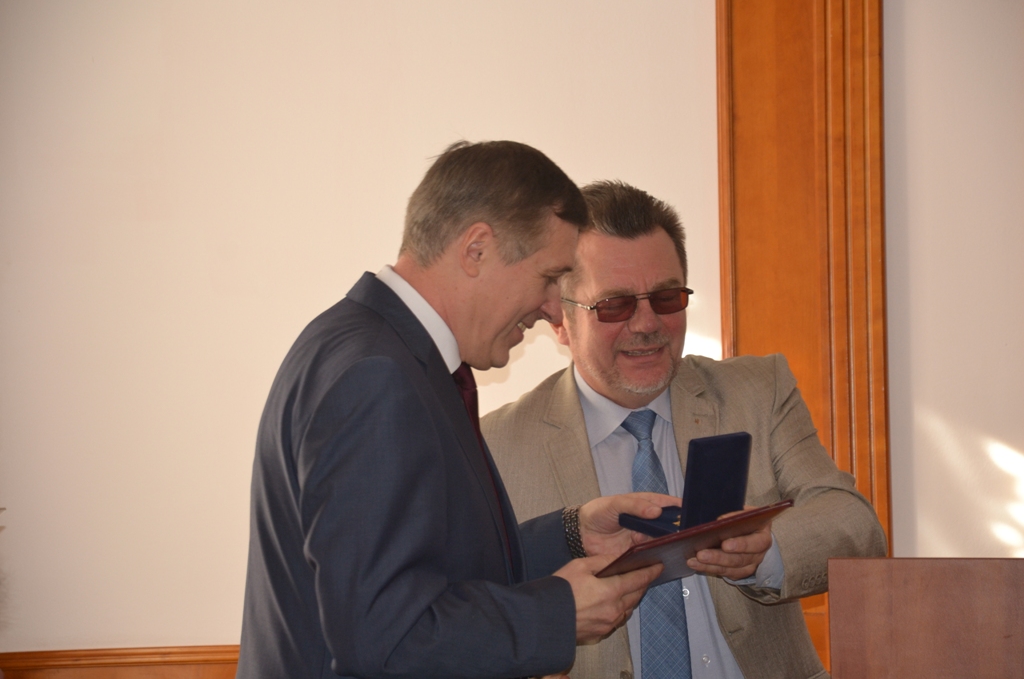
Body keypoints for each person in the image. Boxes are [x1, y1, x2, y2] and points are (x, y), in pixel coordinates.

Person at [236, 143, 675, 679]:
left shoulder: (373, 348)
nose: (550, 308)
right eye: (548, 277)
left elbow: (430, 569)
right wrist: (557, 614)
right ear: (476, 249)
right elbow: (385, 637)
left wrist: (570, 534)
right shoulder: (377, 378)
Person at [482, 181, 888, 679]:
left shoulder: (758, 391)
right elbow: (471, 608)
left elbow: (855, 525)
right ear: (560, 322)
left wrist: (768, 551)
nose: (647, 323)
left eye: (666, 297)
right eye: (615, 305)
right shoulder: (496, 445)